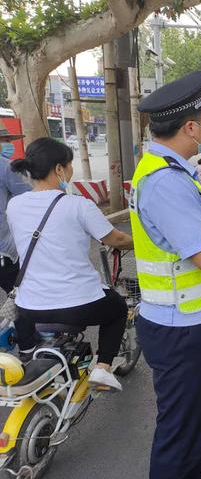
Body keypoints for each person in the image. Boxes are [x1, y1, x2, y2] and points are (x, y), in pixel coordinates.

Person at [132, 71, 201, 479]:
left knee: (192, 425)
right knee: (180, 432)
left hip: (191, 320)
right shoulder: (166, 182)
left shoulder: (171, 170)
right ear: (191, 127)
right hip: (181, 329)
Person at [7, 137, 133, 391]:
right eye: (70, 165)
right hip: (79, 304)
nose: (71, 171)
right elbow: (116, 238)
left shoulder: (14, 205)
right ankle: (103, 368)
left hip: (30, 306)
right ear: (58, 169)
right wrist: (142, 243)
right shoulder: (78, 205)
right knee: (118, 308)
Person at [0, 120, 31, 293]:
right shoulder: (5, 166)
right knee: (21, 299)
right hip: (4, 252)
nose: (8, 144)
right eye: (4, 140)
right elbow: (29, 197)